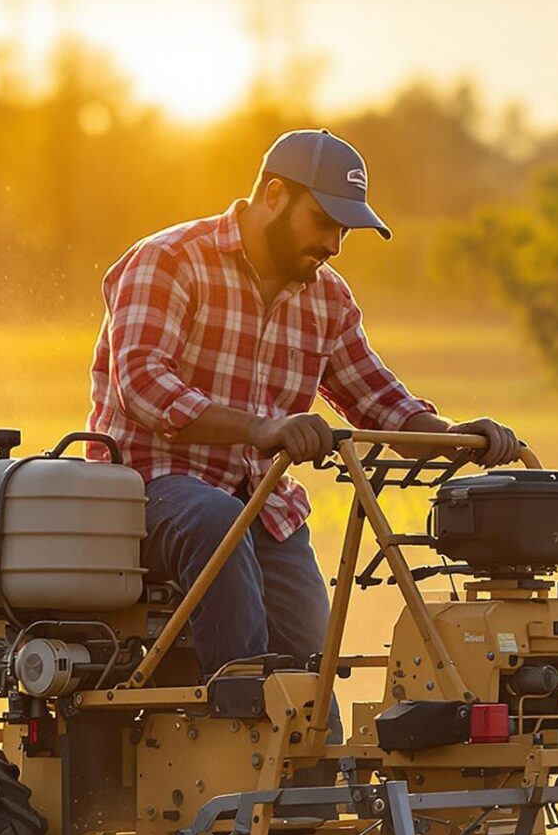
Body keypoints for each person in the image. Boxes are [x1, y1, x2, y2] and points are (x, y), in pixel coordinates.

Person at [86, 128, 519, 674]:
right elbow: (142, 384)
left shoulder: (328, 296)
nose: (334, 244)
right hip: (147, 493)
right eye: (323, 222)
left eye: (343, 229)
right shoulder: (169, 260)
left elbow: (378, 399)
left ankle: (312, 748)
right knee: (217, 520)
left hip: (263, 504)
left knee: (310, 660)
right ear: (273, 196)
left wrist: (451, 435)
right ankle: (243, 716)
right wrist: (259, 428)